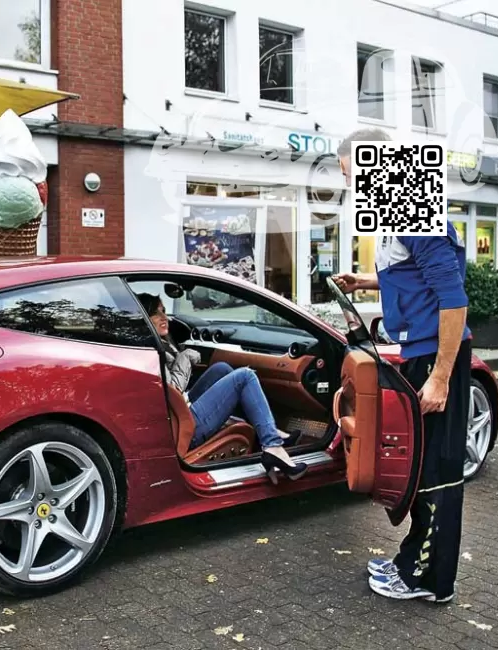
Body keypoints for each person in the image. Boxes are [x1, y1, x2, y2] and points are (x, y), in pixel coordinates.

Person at [333, 127, 471, 603]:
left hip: (435, 356)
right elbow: (412, 276)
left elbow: (453, 299)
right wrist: (365, 282)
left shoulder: (417, 212)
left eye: (354, 174)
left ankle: (429, 581)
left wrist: (441, 377)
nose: (352, 184)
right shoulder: (398, 212)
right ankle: (412, 560)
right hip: (419, 354)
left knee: (436, 471)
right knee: (418, 467)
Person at [135, 293, 307, 482]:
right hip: (182, 425)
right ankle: (272, 445)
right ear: (143, 319)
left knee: (221, 369)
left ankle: (268, 432)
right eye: (155, 313)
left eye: (164, 311)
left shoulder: (152, 344)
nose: (164, 317)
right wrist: (184, 358)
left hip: (177, 413)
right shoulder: (150, 351)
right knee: (245, 377)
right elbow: (172, 389)